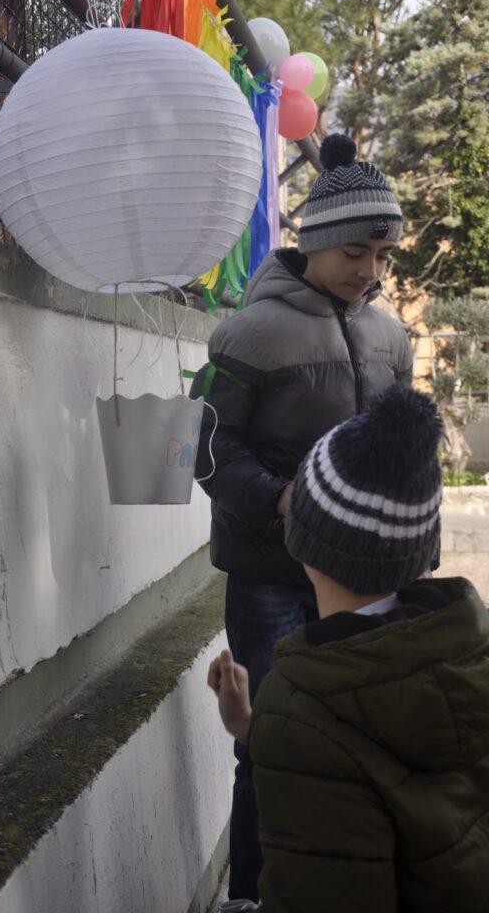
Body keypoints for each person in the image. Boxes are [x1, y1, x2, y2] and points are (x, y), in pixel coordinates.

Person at [189, 132, 413, 901]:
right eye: (356, 251)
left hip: (360, 578)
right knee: (270, 738)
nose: (370, 271)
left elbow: (398, 443)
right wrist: (286, 498)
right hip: (269, 575)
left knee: (360, 735)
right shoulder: (247, 332)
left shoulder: (391, 334)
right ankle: (252, 892)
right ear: (315, 240)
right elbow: (206, 450)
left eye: (382, 257)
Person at [208, 382, 489, 912]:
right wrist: (255, 727)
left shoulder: (307, 698)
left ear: (302, 536)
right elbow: (372, 763)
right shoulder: (466, 649)